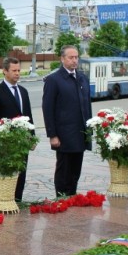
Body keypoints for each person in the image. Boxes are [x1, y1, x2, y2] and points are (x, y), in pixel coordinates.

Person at [42, 45, 92, 196]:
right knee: (64, 171)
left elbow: (87, 106)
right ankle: (62, 199)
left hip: (80, 133)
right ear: (62, 59)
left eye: (76, 57)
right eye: (71, 57)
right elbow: (48, 109)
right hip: (64, 135)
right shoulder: (54, 80)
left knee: (76, 171)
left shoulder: (82, 78)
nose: (74, 60)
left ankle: (72, 197)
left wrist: (89, 130)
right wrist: (52, 135)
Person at [0, 56, 33, 203]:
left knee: (21, 173)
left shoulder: (23, 91)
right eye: (14, 70)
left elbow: (28, 116)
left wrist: (31, 137)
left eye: (19, 70)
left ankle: (18, 201)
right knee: (8, 174)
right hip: (6, 142)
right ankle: (6, 201)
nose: (17, 73)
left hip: (23, 142)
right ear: (5, 71)